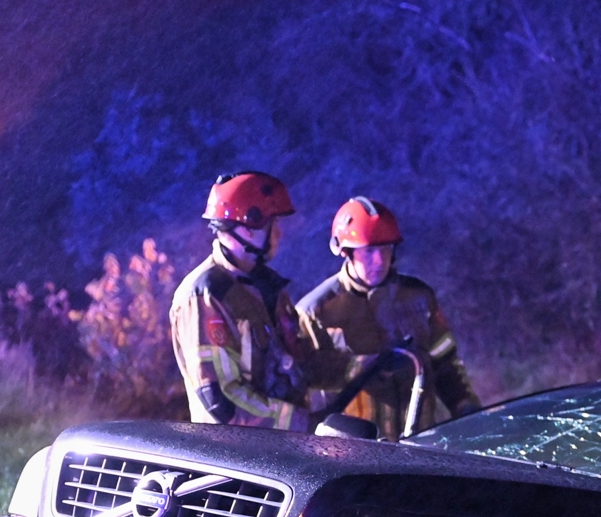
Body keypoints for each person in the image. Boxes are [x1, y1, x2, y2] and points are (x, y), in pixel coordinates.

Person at [297, 196, 480, 440]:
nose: (379, 261)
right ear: (346, 252)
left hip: (419, 442)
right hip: (353, 453)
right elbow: (305, 389)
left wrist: (465, 407)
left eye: (386, 249)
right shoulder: (316, 313)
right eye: (369, 251)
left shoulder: (418, 297)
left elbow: (445, 363)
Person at [168, 171, 311, 431]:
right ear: (248, 226)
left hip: (284, 451)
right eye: (273, 223)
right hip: (236, 458)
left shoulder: (269, 288)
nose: (279, 234)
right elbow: (220, 400)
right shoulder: (205, 295)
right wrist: (300, 421)